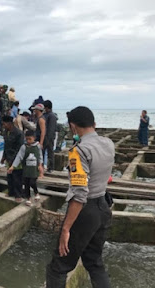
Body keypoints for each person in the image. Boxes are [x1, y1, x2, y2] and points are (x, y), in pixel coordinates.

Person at [46, 106, 114, 288]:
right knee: (94, 263)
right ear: (94, 124)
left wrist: (66, 229)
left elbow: (80, 194)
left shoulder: (79, 151)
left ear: (73, 127)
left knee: (58, 267)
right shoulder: (108, 144)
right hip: (103, 207)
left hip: (85, 211)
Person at [8, 130, 44, 206]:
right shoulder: (24, 147)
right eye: (26, 139)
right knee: (26, 184)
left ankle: (36, 192)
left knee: (32, 182)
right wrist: (13, 166)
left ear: (34, 138)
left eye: (30, 139)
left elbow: (40, 156)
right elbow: (19, 157)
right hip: (26, 169)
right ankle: (28, 198)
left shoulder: (38, 146)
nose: (28, 141)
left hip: (34, 169)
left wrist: (40, 165)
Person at [1, 116, 24, 203]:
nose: (3, 126)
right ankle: (11, 192)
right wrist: (4, 157)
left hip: (17, 158)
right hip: (8, 157)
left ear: (9, 123)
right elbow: (6, 146)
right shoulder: (6, 132)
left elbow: (20, 148)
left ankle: (18, 194)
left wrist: (14, 160)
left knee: (17, 177)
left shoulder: (19, 133)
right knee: (9, 176)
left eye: (4, 124)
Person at [43, 100, 57, 173]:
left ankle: (50, 168)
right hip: (44, 137)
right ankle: (42, 166)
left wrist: (48, 139)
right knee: (42, 153)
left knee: (50, 153)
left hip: (49, 138)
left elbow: (51, 129)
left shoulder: (51, 116)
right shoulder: (45, 115)